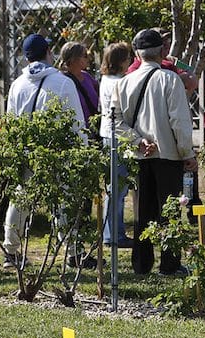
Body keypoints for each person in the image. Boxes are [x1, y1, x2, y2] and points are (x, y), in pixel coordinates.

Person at [113, 28, 197, 277]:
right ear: (162, 51)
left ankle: (141, 264)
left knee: (142, 212)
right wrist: (188, 153)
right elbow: (180, 121)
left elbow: (116, 122)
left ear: (137, 53)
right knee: (169, 211)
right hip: (167, 154)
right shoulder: (169, 79)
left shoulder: (124, 82)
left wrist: (137, 141)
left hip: (140, 155)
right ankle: (170, 264)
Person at [2, 33, 87, 269]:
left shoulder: (17, 84)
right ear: (48, 52)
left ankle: (10, 251)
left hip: (26, 151)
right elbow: (76, 122)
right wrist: (82, 152)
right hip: (56, 152)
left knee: (20, 200)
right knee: (64, 201)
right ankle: (72, 252)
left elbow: (10, 121)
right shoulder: (62, 82)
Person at [99, 41, 135, 248]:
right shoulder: (119, 83)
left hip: (108, 133)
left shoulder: (106, 79)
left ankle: (113, 232)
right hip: (117, 136)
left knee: (116, 188)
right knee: (118, 188)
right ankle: (113, 235)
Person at [59, 41, 101, 137]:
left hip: (94, 132)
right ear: (74, 59)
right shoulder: (63, 81)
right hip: (77, 132)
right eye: (85, 56)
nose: (89, 58)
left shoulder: (87, 77)